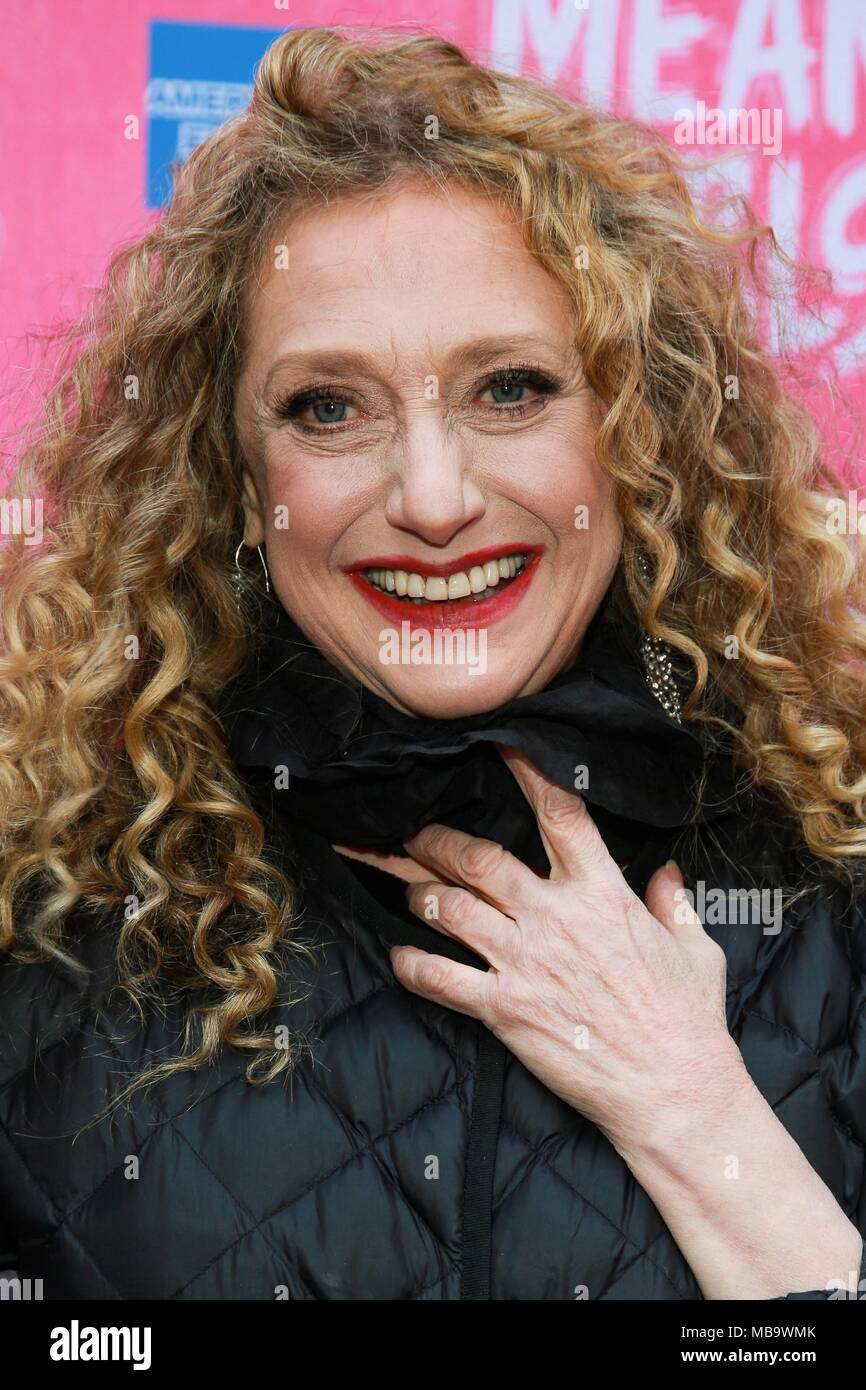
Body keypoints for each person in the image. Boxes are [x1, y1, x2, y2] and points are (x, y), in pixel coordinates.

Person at [1, 24, 865, 1302]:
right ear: (238, 486)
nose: (432, 495)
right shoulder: (50, 930)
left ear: (636, 431)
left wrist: (698, 1116)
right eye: (327, 407)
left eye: (508, 388)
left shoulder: (829, 884)